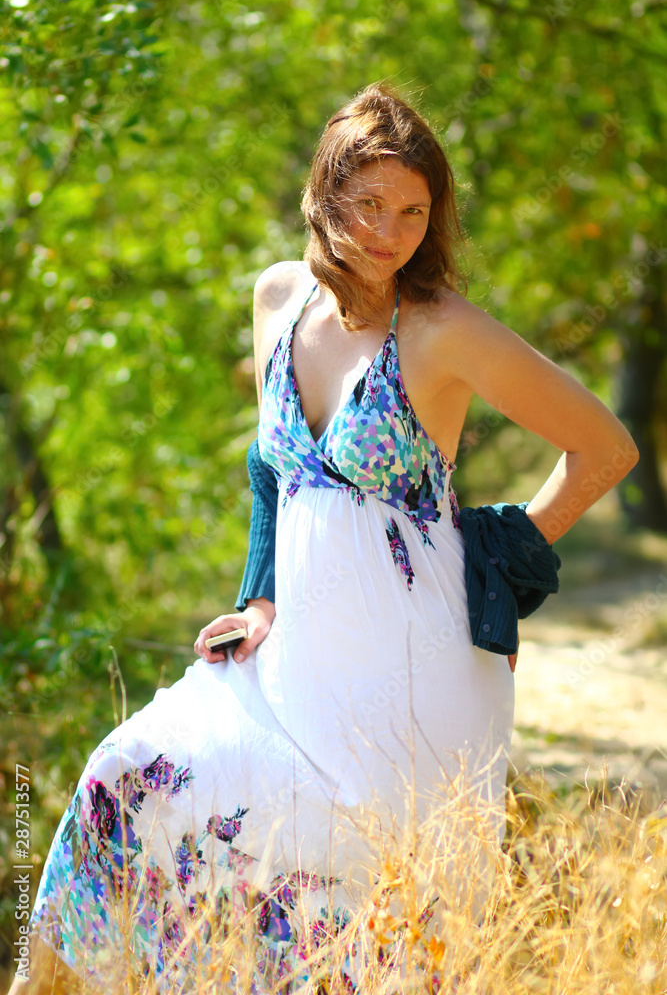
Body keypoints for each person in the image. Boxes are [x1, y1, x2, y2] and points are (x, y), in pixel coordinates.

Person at [12, 81, 639, 995]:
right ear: (324, 193)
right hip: (294, 653)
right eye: (370, 203)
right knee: (124, 776)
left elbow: (605, 448)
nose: (390, 232)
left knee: (349, 890)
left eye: (414, 211)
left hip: (415, 666)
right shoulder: (277, 297)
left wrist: (500, 559)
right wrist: (258, 596)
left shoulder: (441, 329)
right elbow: (269, 470)